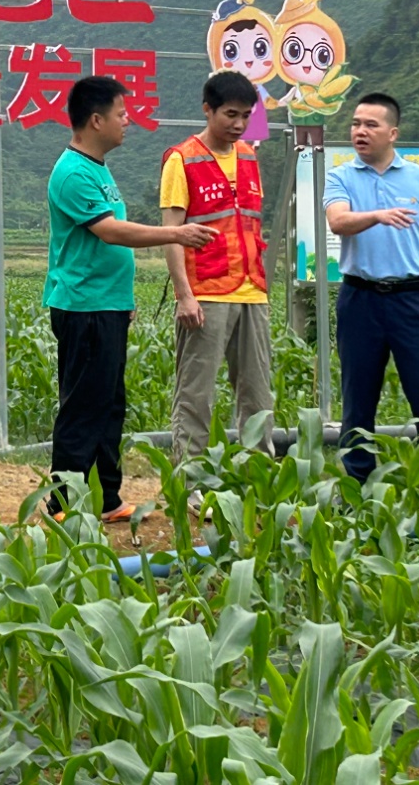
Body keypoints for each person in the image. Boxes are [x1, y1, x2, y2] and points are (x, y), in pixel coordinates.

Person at [45, 73, 214, 520]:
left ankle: (107, 498)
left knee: (109, 403)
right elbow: (111, 231)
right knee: (83, 404)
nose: (128, 122)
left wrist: (124, 299)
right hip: (84, 306)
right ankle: (62, 504)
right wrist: (174, 232)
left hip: (107, 304)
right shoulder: (72, 173)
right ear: (96, 120)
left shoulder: (97, 170)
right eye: (122, 114)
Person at [322, 93, 419, 488]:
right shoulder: (342, 175)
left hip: (412, 301)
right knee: (358, 401)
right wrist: (376, 215)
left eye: (370, 125)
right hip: (360, 300)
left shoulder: (418, 177)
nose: (360, 131)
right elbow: (338, 222)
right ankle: (358, 488)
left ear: (392, 133)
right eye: (356, 124)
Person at [161, 69, 272, 460]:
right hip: (205, 292)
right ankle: (187, 479)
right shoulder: (182, 159)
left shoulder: (248, 156)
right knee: (196, 392)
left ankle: (260, 479)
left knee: (258, 394)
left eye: (245, 115)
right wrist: (183, 295)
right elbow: (171, 233)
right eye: (230, 114)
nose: (239, 124)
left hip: (252, 291)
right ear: (207, 110)